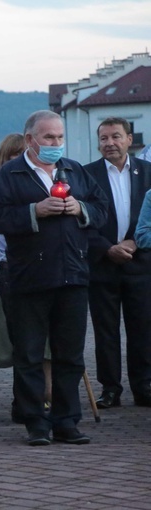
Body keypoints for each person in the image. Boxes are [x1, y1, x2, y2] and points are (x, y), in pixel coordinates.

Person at [0, 110, 108, 446]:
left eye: (59, 137)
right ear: (30, 140)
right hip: (30, 277)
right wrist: (33, 212)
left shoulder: (74, 170)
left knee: (70, 354)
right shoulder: (12, 174)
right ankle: (36, 422)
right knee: (30, 354)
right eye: (48, 137)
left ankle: (66, 420)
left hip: (73, 274)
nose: (55, 143)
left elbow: (101, 207)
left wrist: (80, 208)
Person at [85, 117, 151, 408]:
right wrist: (107, 247)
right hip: (102, 264)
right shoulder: (86, 176)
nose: (109, 143)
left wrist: (134, 241)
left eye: (115, 137)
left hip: (142, 263)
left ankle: (144, 386)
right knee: (106, 330)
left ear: (128, 139)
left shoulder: (148, 172)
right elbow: (81, 222)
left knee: (143, 328)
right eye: (103, 138)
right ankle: (110, 388)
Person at [0, 136, 54, 420]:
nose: (18, 160)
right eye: (13, 155)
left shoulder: (40, 185)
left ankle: (47, 394)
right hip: (13, 270)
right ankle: (25, 398)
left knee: (47, 340)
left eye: (22, 154)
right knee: (21, 340)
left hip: (46, 267)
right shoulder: (1, 193)